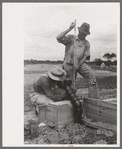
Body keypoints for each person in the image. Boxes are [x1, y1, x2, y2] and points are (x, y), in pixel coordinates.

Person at [56, 22, 99, 99]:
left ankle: (94, 99)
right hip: (69, 63)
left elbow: (85, 57)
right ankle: (71, 100)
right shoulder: (71, 38)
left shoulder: (87, 43)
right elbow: (58, 38)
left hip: (80, 63)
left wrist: (78, 65)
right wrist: (69, 28)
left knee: (92, 76)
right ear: (79, 31)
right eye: (82, 32)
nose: (83, 34)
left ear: (87, 34)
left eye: (85, 33)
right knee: (70, 84)